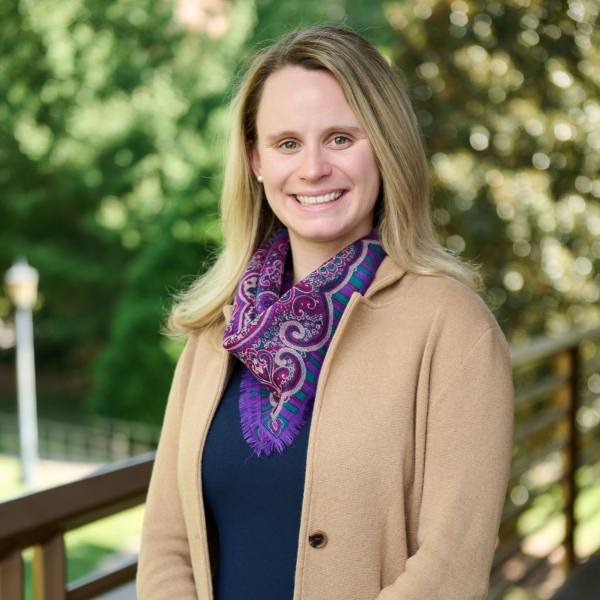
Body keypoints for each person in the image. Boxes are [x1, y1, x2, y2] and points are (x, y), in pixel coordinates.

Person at [137, 26, 514, 600]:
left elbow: (450, 567)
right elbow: (165, 544)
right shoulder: (218, 328)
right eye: (287, 143)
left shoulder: (452, 327)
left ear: (385, 148)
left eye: (340, 138)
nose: (312, 168)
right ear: (255, 160)